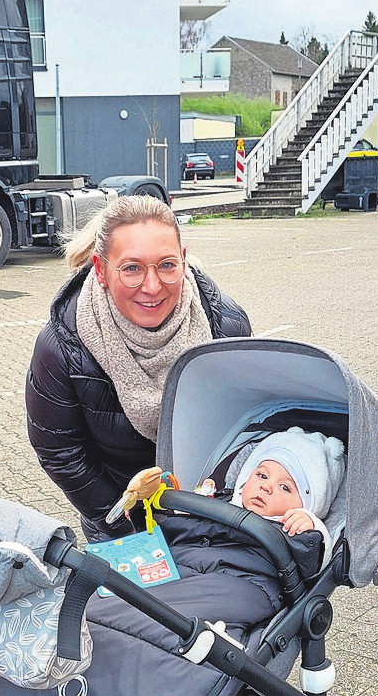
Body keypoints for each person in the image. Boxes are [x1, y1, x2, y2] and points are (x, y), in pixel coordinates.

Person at [26, 194, 252, 540]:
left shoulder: (226, 327)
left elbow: (248, 424)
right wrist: (119, 520)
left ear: (184, 261)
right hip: (120, 517)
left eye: (166, 265)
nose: (152, 286)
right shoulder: (62, 348)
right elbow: (59, 450)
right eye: (132, 268)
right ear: (100, 270)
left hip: (211, 510)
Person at [197, 427, 347, 558]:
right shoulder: (220, 503)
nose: (266, 487)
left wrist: (312, 527)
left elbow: (314, 561)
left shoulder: (294, 529)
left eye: (284, 487)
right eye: (262, 476)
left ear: (308, 505)